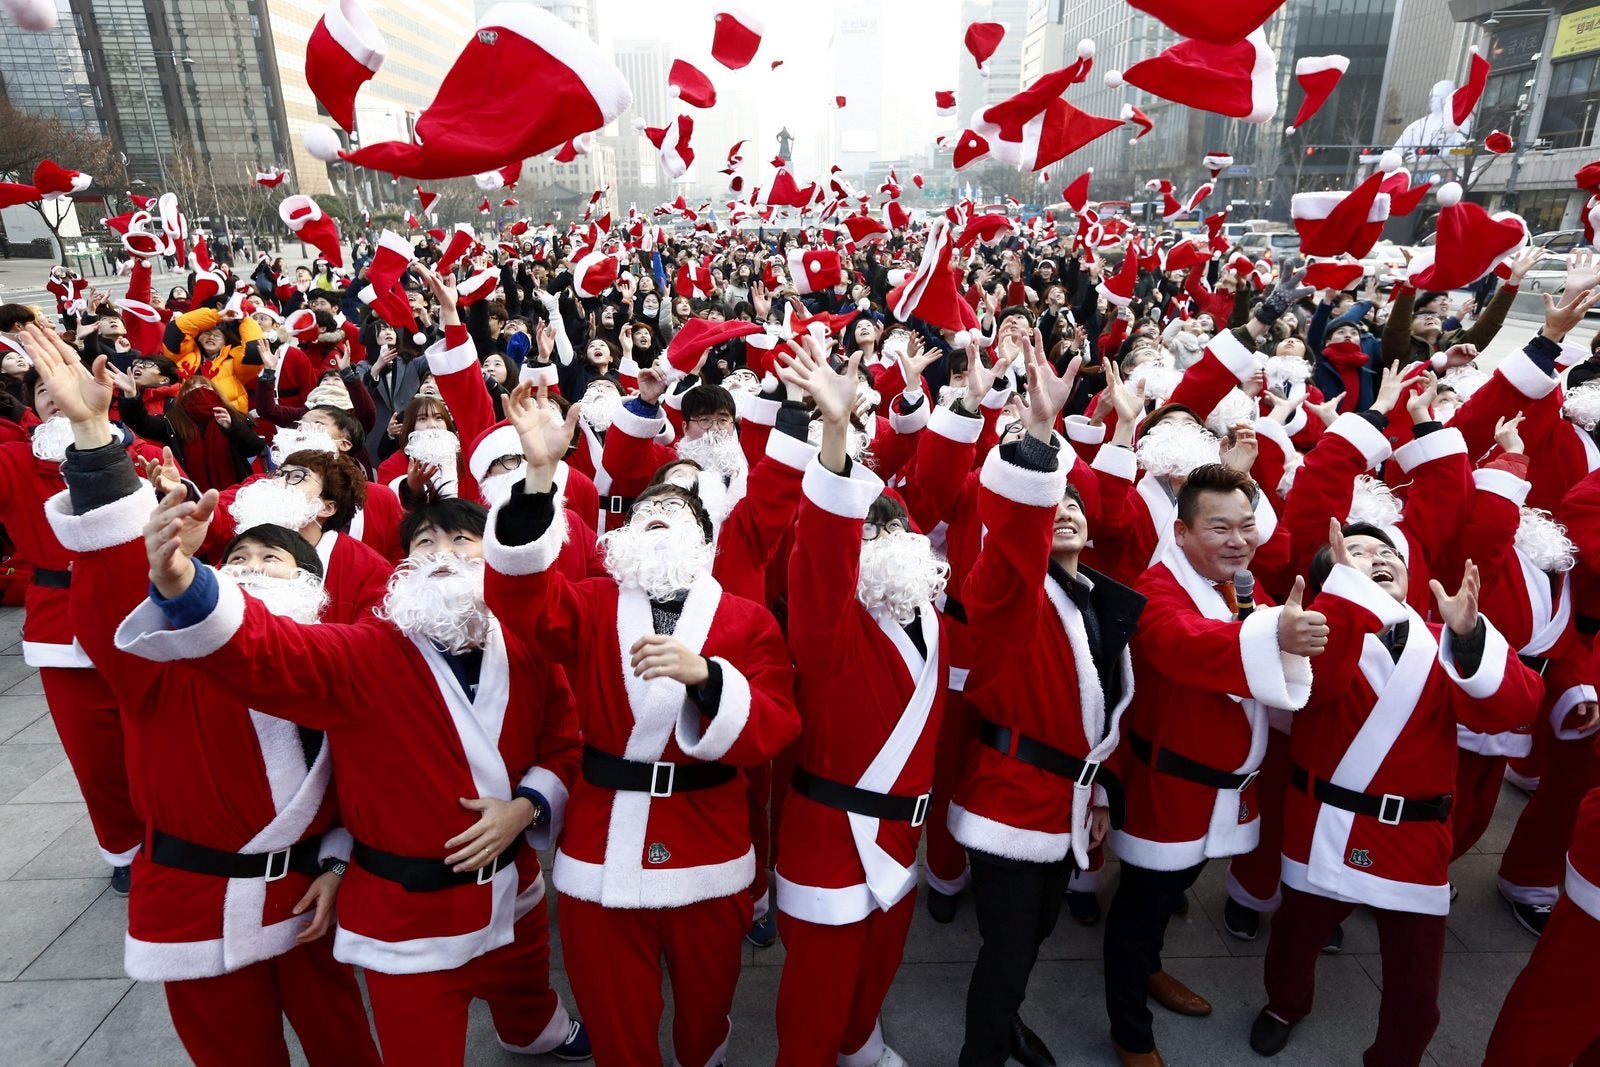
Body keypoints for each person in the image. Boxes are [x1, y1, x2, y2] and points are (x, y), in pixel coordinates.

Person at [76, 360, 593, 1064]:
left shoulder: (526, 650)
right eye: (423, 545)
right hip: (398, 921)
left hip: (506, 895)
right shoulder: (367, 650)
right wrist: (183, 585)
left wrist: (529, 805)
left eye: (463, 543)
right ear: (398, 570)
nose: (443, 555)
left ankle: (535, 1029)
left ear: (494, 559)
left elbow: (563, 741)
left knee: (477, 1008)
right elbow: (266, 653)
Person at [28, 324, 382, 1067]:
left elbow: (364, 774)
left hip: (304, 895)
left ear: (314, 592)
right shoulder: (161, 667)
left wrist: (340, 862)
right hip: (193, 905)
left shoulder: (332, 658)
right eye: (241, 555)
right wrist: (95, 437)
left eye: (274, 560)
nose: (252, 564)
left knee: (344, 1043)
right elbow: (114, 603)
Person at [483, 376, 801, 1067]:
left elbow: (776, 723)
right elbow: (519, 598)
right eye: (650, 504)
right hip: (603, 846)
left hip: (709, 843)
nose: (660, 511)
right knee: (616, 1016)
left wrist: (710, 678)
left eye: (679, 508)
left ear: (706, 538)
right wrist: (540, 475)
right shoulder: (594, 602)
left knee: (705, 1013)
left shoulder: (745, 619)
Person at [1251, 520, 1541, 1064]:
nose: (1379, 557)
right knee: (1295, 938)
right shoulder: (1313, 636)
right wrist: (1342, 600)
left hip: (1415, 837)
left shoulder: (1448, 641)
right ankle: (1284, 1006)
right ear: (1332, 579)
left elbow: (1519, 705)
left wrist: (1472, 638)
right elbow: (1321, 687)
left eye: (1388, 552)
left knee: (1416, 984)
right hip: (1324, 824)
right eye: (1356, 553)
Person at [950, 345, 1144, 1067]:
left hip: (1065, 800)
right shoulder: (1008, 592)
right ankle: (982, 1051)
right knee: (1004, 951)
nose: (1062, 512)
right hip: (1008, 797)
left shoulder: (1099, 603)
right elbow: (1010, 542)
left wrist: (1095, 795)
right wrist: (1038, 435)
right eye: (1050, 504)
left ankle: (1005, 1026)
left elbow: (1104, 715)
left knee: (1033, 936)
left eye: (1074, 505)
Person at [769, 343, 951, 1066]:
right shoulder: (828, 627)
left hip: (904, 839)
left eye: (893, 525)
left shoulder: (937, 622)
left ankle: (859, 1041)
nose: (884, 538)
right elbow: (822, 555)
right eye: (865, 527)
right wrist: (837, 438)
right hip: (831, 840)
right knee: (813, 1004)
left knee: (874, 976)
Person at [1103, 463, 1320, 1067]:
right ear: (1180, 533)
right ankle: (1130, 1030)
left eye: (1247, 527)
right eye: (1218, 528)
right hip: (1167, 788)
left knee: (1171, 890)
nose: (1238, 541)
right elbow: (1183, 642)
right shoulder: (1157, 588)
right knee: (1140, 907)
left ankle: (1150, 968)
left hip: (1223, 790)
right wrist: (1275, 635)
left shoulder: (1241, 586)